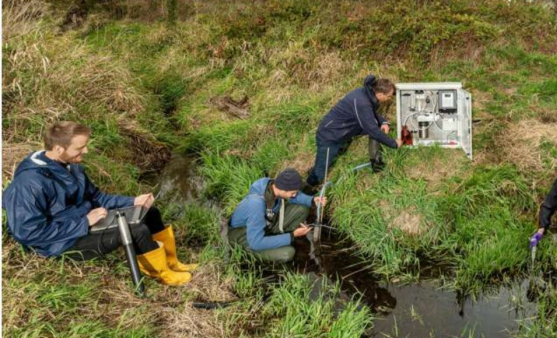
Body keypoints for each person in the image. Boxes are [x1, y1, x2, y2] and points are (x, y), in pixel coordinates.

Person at [2, 121, 196, 286]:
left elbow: (97, 198)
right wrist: (84, 222)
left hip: (84, 224)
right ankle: (160, 273)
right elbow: (28, 233)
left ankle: (172, 262)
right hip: (59, 243)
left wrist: (133, 201)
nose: (85, 151)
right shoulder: (29, 183)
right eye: (80, 148)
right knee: (136, 230)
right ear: (59, 149)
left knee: (149, 212)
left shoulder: (71, 166)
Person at [305, 75, 402, 191]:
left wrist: (383, 121)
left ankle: (376, 163)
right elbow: (372, 128)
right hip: (330, 135)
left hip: (344, 129)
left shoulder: (366, 93)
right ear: (380, 94)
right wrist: (394, 144)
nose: (389, 99)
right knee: (321, 169)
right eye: (389, 96)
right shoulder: (362, 101)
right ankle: (308, 189)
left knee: (377, 129)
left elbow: (369, 115)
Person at [228, 168, 326, 262]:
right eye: (293, 193)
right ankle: (253, 252)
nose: (294, 195)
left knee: (302, 209)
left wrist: (312, 200)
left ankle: (277, 238)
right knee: (288, 253)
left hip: (263, 224)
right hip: (244, 237)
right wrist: (292, 236)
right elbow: (256, 243)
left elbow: (294, 196)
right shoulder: (256, 205)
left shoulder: (273, 185)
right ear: (283, 189)